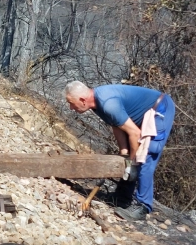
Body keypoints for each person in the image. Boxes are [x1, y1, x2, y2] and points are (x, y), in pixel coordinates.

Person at [65, 81, 175, 221]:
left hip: (160, 109)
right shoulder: (96, 104)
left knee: (146, 154)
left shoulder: (107, 103)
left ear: (82, 100)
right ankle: (123, 197)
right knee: (129, 155)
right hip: (143, 116)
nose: (70, 107)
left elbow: (134, 133)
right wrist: (124, 152)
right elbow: (117, 125)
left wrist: (132, 164)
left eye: (71, 103)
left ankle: (143, 206)